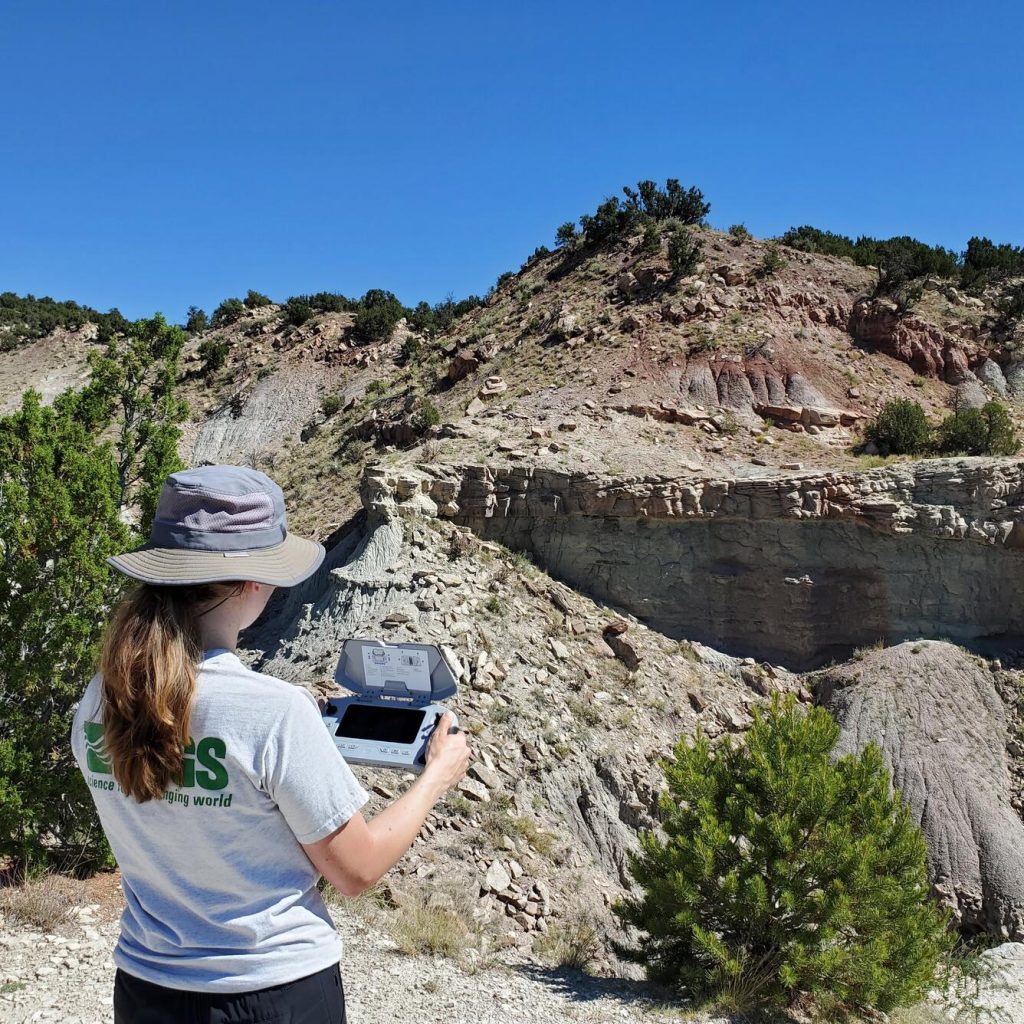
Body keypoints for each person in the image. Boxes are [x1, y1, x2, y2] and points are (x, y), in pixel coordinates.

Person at [71, 465, 471, 1024]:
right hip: (271, 990)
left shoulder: (99, 699)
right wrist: (435, 776)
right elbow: (357, 871)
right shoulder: (272, 711)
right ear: (254, 581)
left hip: (147, 988)